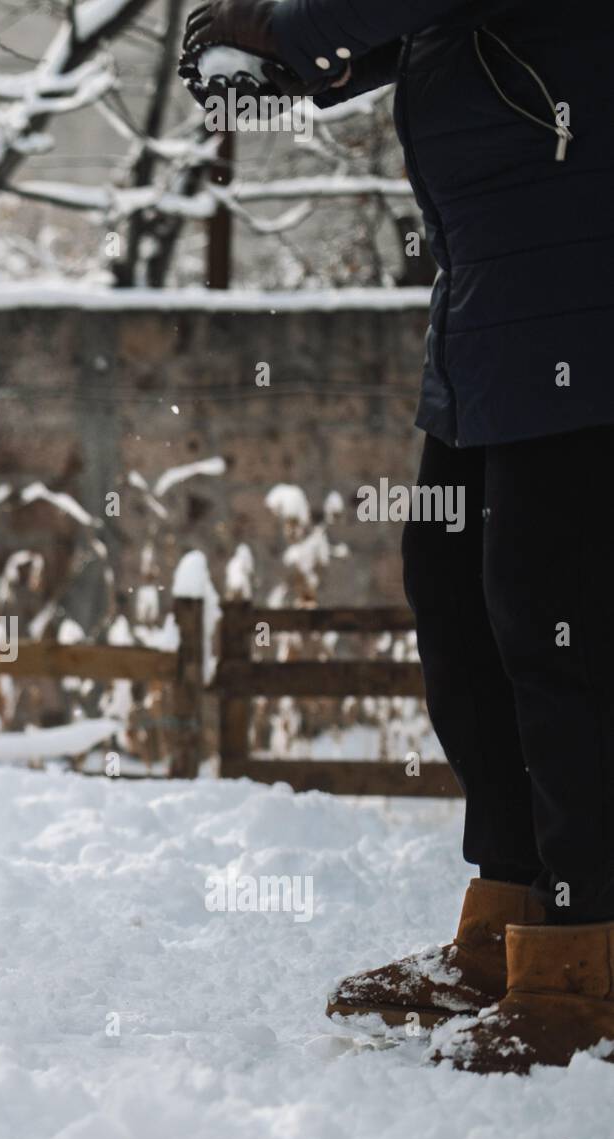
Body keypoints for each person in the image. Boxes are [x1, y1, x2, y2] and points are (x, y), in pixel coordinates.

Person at [185, 0, 614, 1072]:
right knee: (459, 604)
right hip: (492, 306)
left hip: (580, 301)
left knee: (554, 627)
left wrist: (288, 30)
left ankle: (585, 958)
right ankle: (509, 924)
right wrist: (290, 63)